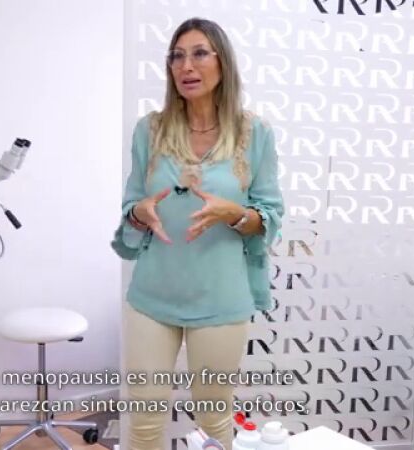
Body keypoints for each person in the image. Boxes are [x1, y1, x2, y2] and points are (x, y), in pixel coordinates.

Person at [111, 17, 285, 450]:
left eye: (199, 53)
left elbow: (270, 214)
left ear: (223, 63)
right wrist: (139, 213)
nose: (186, 66)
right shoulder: (149, 130)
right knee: (143, 422)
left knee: (213, 422)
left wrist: (234, 213)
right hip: (153, 298)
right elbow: (131, 205)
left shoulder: (255, 133)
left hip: (221, 300)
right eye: (177, 56)